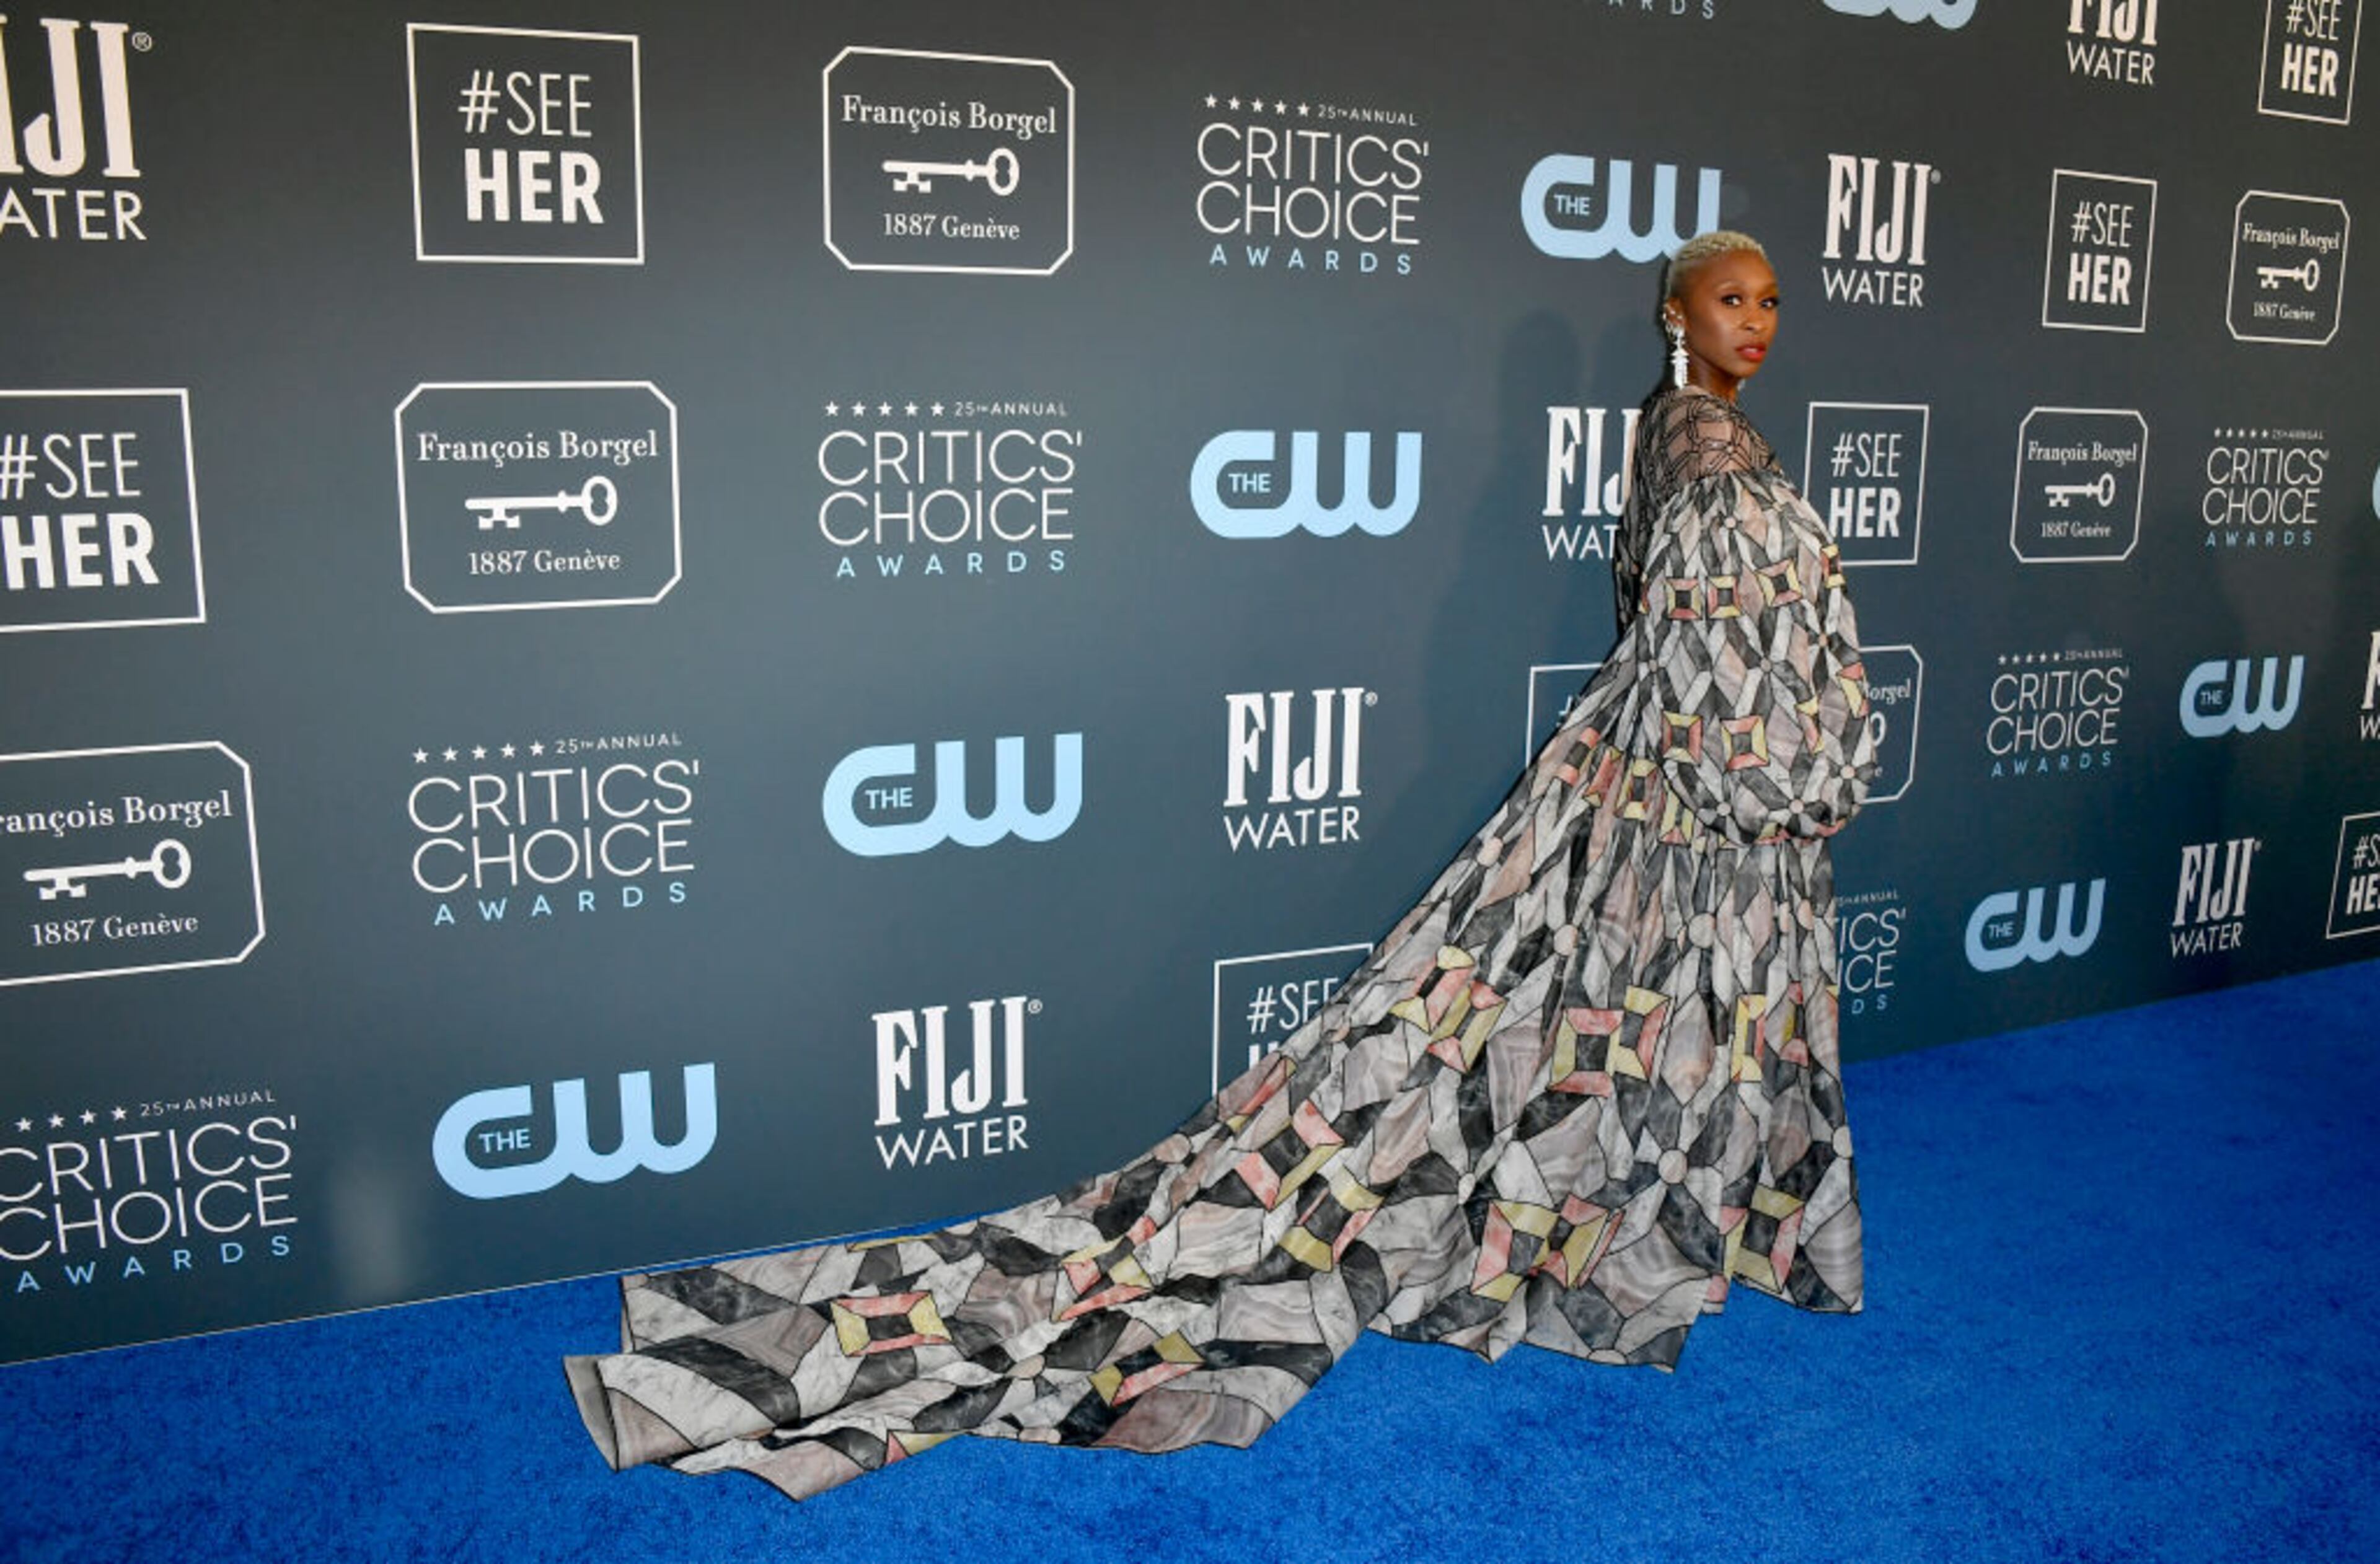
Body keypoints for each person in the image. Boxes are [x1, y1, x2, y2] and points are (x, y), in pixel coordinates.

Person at [564, 229, 1879, 1502]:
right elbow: (1752, 692)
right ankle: (1662, 1221)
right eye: (1728, 301)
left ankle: (1656, 1209)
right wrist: (1801, 786)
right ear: (1676, 314)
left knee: (1633, 1014)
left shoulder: (1676, 430)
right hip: (1698, 797)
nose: (1754, 322)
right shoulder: (1714, 456)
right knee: (1652, 1007)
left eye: (1768, 300)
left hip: (1652, 781)